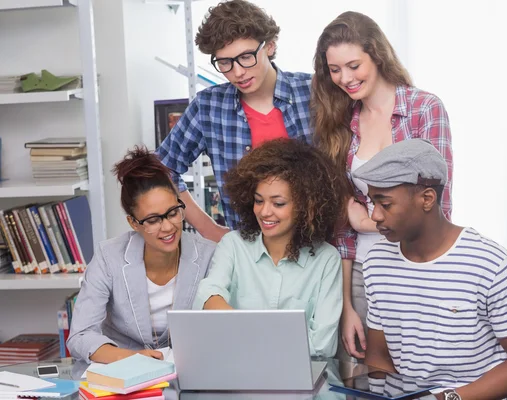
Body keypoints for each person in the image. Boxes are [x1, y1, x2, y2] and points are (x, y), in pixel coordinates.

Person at [311, 11, 454, 361]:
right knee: (363, 378)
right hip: (363, 270)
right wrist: (345, 306)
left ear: (377, 54)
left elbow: (438, 205)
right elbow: (342, 227)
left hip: (418, 269)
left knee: (420, 373)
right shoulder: (341, 122)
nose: (345, 78)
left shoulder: (424, 109)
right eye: (334, 70)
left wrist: (366, 220)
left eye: (353, 65)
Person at [354, 139, 507, 400]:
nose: (375, 215)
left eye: (385, 204)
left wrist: (446, 398)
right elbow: (379, 354)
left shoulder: (491, 263)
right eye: (372, 203)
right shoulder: (377, 261)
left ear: (427, 199)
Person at [157, 0, 312, 240]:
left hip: (320, 249)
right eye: (225, 62)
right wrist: (210, 230)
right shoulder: (208, 106)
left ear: (269, 46)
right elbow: (162, 169)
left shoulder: (313, 92)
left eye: (246, 57)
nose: (237, 72)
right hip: (248, 255)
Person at [67, 146, 216, 378]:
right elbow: (81, 335)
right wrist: (131, 358)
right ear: (134, 223)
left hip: (187, 373)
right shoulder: (109, 257)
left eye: (173, 212)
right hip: (122, 373)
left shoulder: (208, 255)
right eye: (153, 220)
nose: (167, 227)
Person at [194, 139, 344, 357]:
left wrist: (243, 334)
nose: (264, 212)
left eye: (278, 203)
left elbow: (322, 345)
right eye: (258, 201)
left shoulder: (326, 260)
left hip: (299, 379)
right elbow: (208, 293)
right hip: (238, 371)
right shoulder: (234, 245)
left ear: (306, 206)